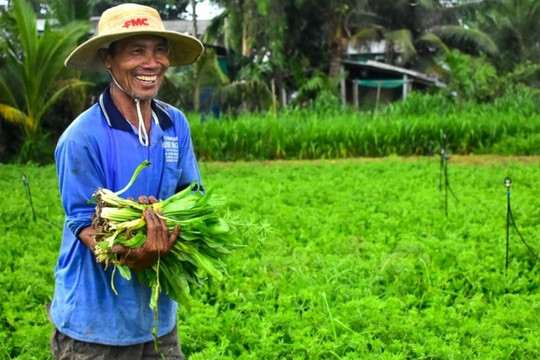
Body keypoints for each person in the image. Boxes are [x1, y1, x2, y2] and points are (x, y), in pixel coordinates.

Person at [49, 3, 204, 359]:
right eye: (137, 50)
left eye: (159, 49)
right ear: (108, 59)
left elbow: (192, 194)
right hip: (94, 328)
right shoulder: (82, 138)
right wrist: (129, 248)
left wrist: (171, 220)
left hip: (157, 322)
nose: (152, 63)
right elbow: (83, 224)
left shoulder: (174, 124)